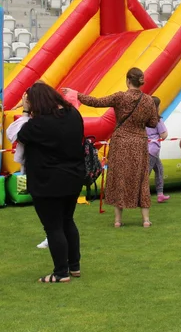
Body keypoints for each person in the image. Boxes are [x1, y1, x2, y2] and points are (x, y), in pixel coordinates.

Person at [63, 67, 159, 228]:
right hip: (139, 142)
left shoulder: (119, 97)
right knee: (141, 178)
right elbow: (153, 123)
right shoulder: (149, 100)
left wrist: (76, 94)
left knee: (119, 177)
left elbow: (96, 102)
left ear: (128, 81)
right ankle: (146, 219)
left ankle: (117, 220)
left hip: (120, 142)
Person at [15, 83, 86, 283]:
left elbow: (20, 135)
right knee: (67, 221)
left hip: (48, 181)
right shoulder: (73, 114)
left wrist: (26, 111)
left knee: (53, 227)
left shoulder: (39, 123)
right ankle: (74, 266)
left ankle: (61, 272)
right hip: (73, 176)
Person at [147, 96, 169, 203]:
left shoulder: (143, 119)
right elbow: (164, 135)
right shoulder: (157, 120)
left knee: (159, 169)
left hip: (145, 149)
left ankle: (160, 194)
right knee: (146, 172)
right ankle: (140, 195)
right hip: (153, 149)